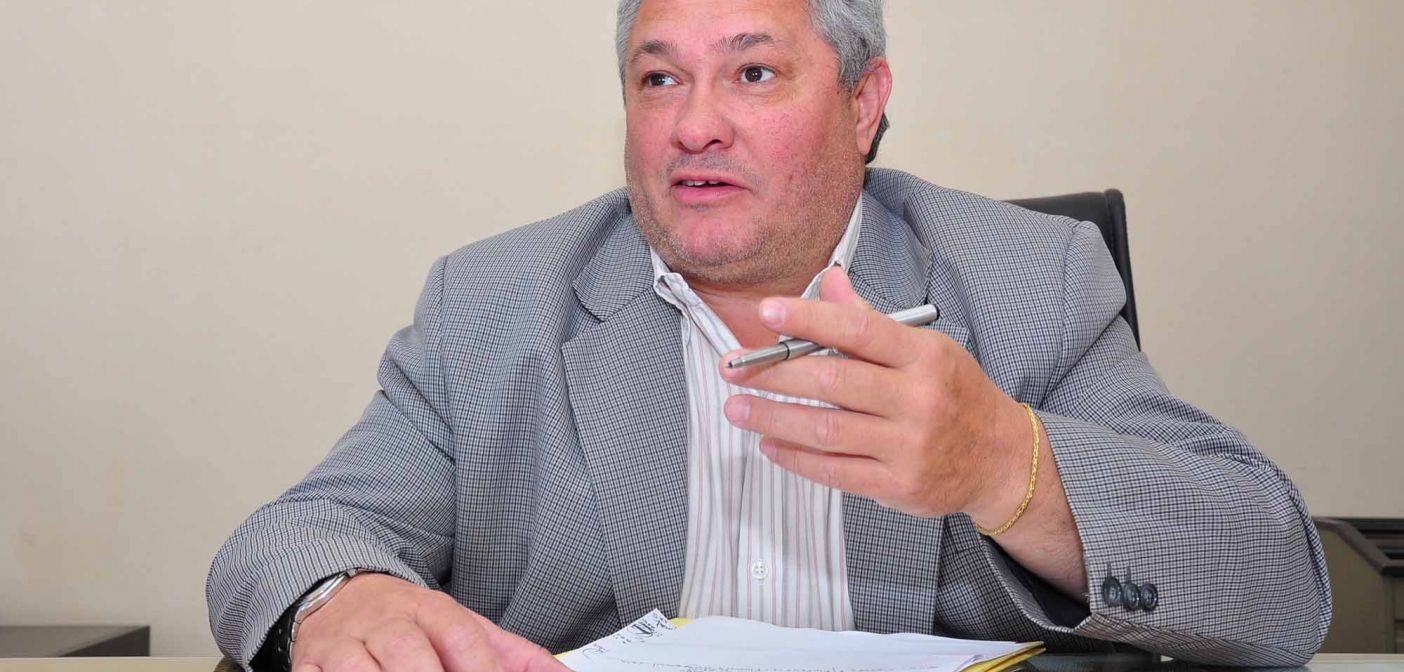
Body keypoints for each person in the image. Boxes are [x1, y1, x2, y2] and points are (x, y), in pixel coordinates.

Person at [207, 1, 1331, 670]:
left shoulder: (1030, 280)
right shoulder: (493, 303)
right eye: (659, 79)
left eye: (752, 72)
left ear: (863, 102)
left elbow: (1280, 587)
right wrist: (340, 598)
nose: (694, 123)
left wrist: (1005, 465)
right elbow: (291, 538)